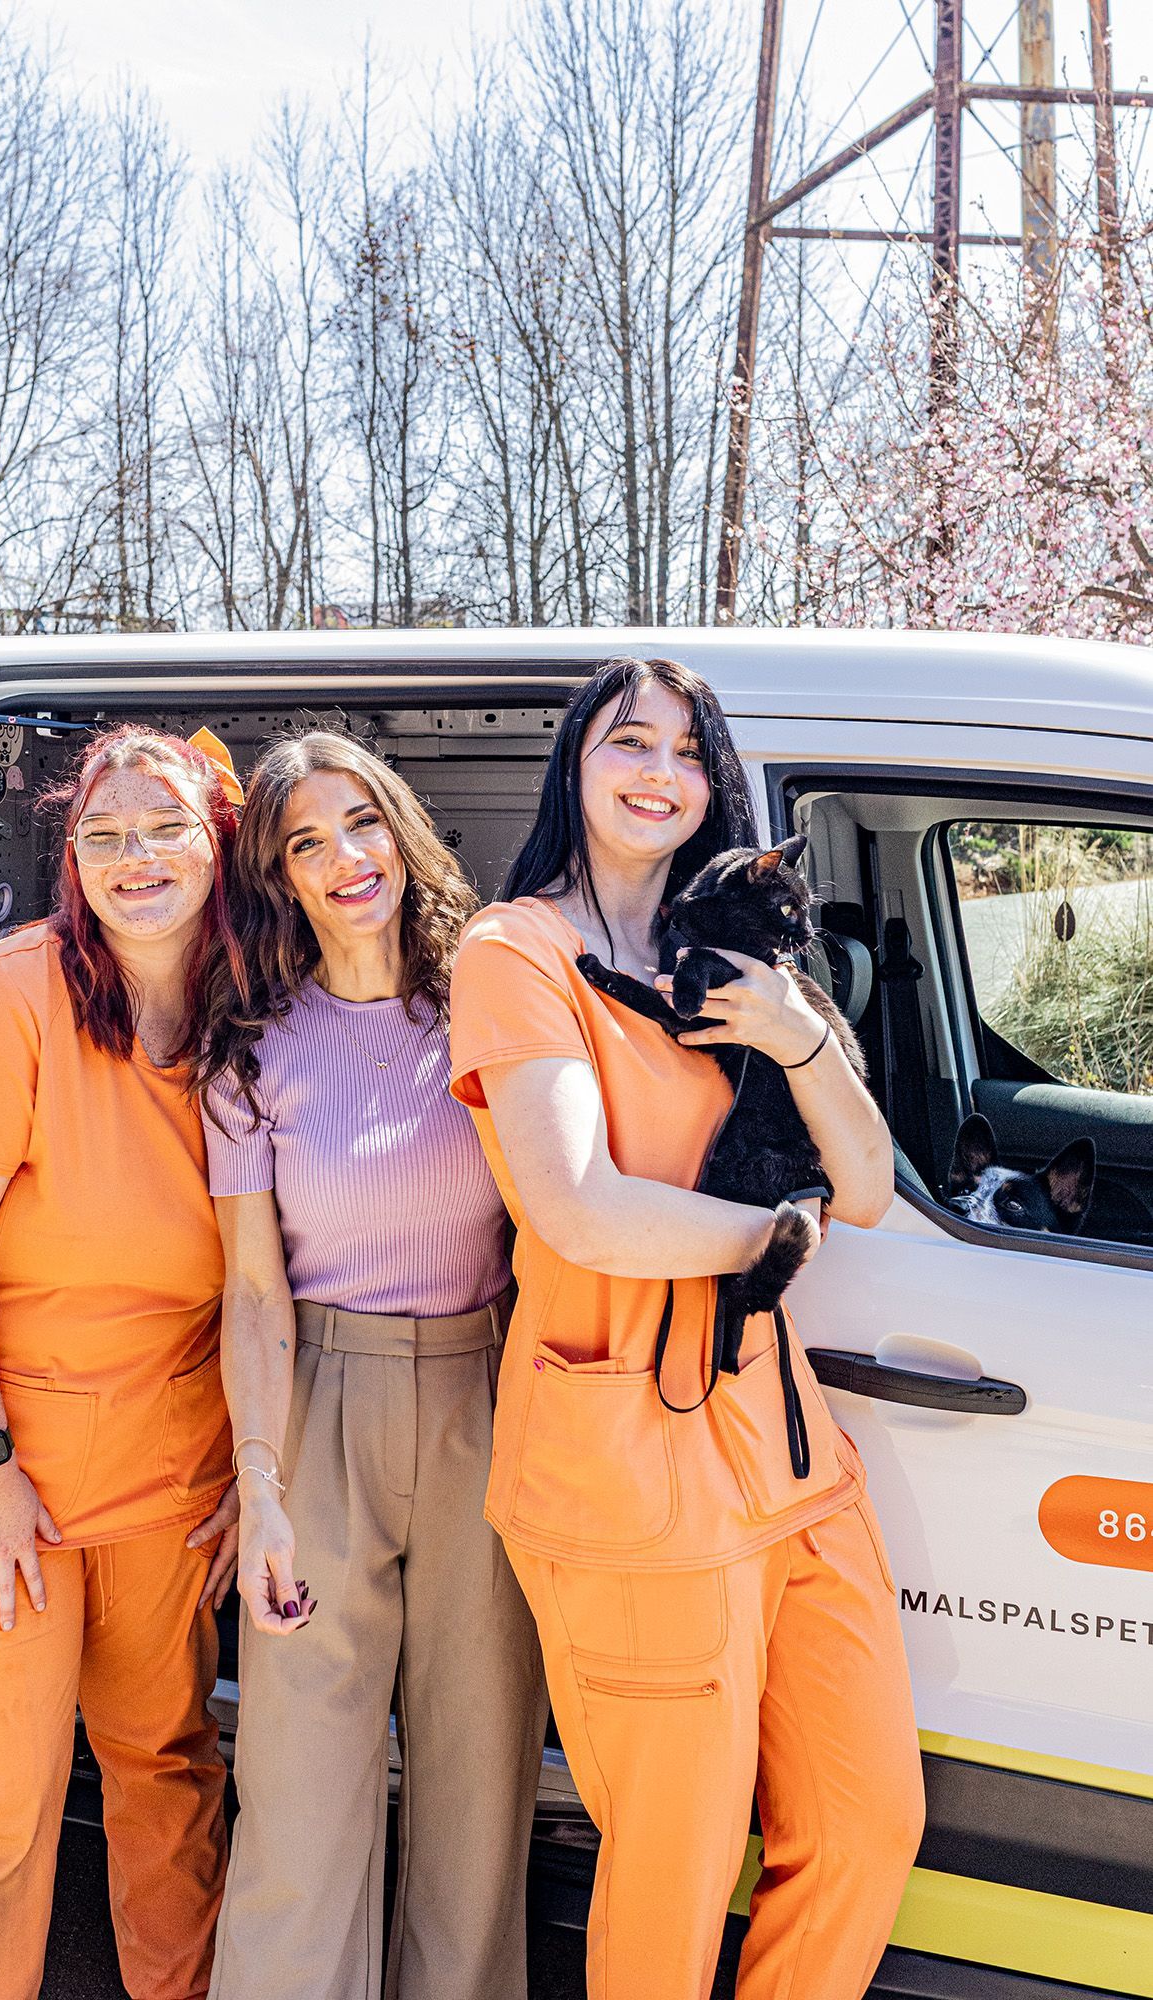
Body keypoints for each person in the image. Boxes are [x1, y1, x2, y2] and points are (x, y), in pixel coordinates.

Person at [447, 658, 925, 2000]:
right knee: (676, 1859)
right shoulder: (516, 952)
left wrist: (795, 1034)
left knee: (864, 1825)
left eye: (686, 750)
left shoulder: (741, 954)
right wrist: (773, 1239)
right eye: (627, 741)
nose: (659, 770)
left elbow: (873, 1186)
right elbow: (581, 1208)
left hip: (786, 1457)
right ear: (576, 766)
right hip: (628, 1465)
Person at [0, 724, 246, 2000]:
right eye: (106, 834)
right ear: (72, 857)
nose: (139, 857)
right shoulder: (8, 995)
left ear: (219, 841)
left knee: (169, 1782)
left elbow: (264, 1280)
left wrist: (252, 1464)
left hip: (161, 1475)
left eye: (167, 826)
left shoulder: (248, 1011)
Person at [192, 730, 547, 2000]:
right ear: (279, 877)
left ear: (402, 831)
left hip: (486, 1398)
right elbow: (251, 1289)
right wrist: (265, 1479)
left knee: (479, 1775)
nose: (345, 858)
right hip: (318, 1407)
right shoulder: (252, 1054)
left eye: (363, 823)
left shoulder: (489, 1006)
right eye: (307, 841)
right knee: (297, 1790)